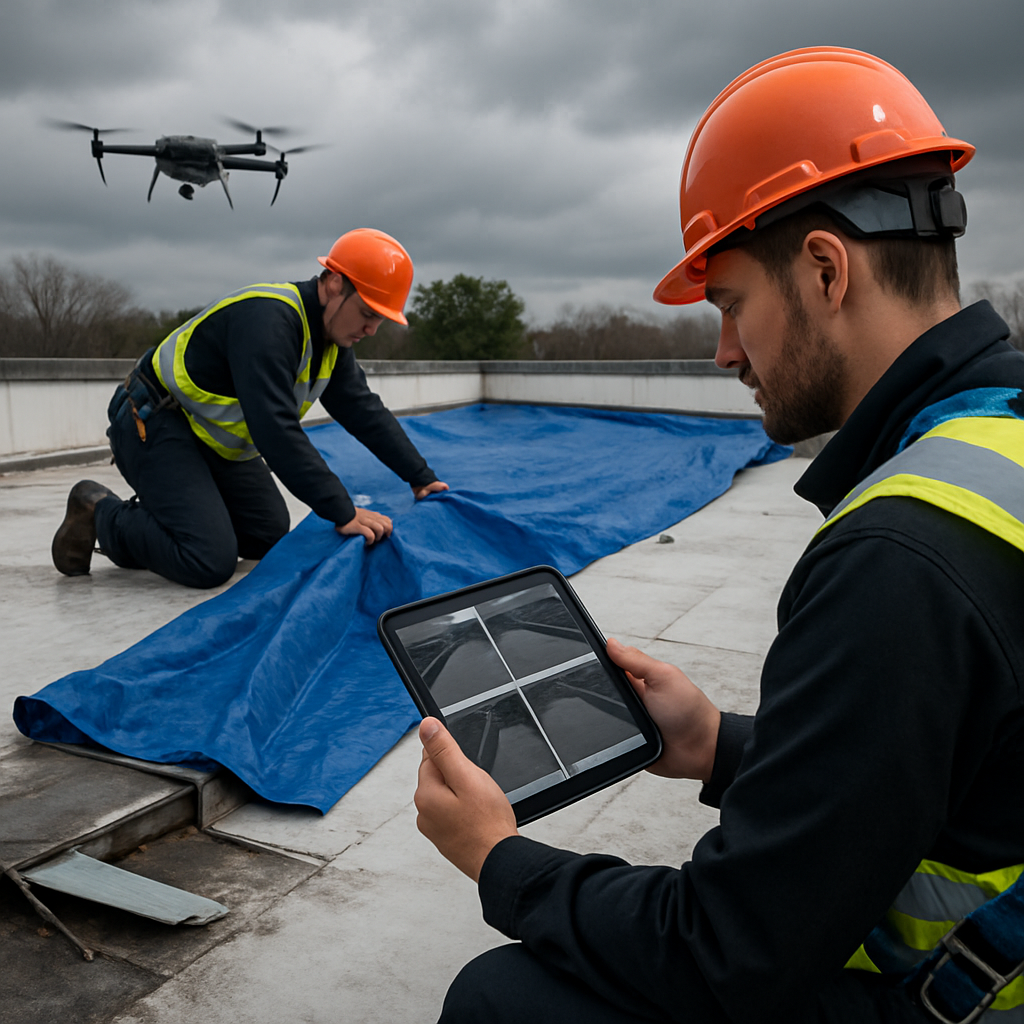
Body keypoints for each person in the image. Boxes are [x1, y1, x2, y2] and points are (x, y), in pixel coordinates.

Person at [413, 47, 1024, 1023]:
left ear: (826, 269)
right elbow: (958, 759)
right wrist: (718, 747)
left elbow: (726, 955)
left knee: (504, 999)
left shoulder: (898, 557)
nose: (723, 351)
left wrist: (501, 858)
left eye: (732, 304)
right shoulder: (1003, 442)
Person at [51, 228, 448, 588]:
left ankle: (182, 512)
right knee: (207, 559)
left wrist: (419, 476)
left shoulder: (331, 340)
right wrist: (342, 511)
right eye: (366, 314)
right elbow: (274, 430)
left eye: (380, 320)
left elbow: (362, 409)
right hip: (154, 421)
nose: (371, 330)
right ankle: (100, 511)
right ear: (333, 283)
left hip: (207, 437)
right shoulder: (269, 321)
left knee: (267, 535)